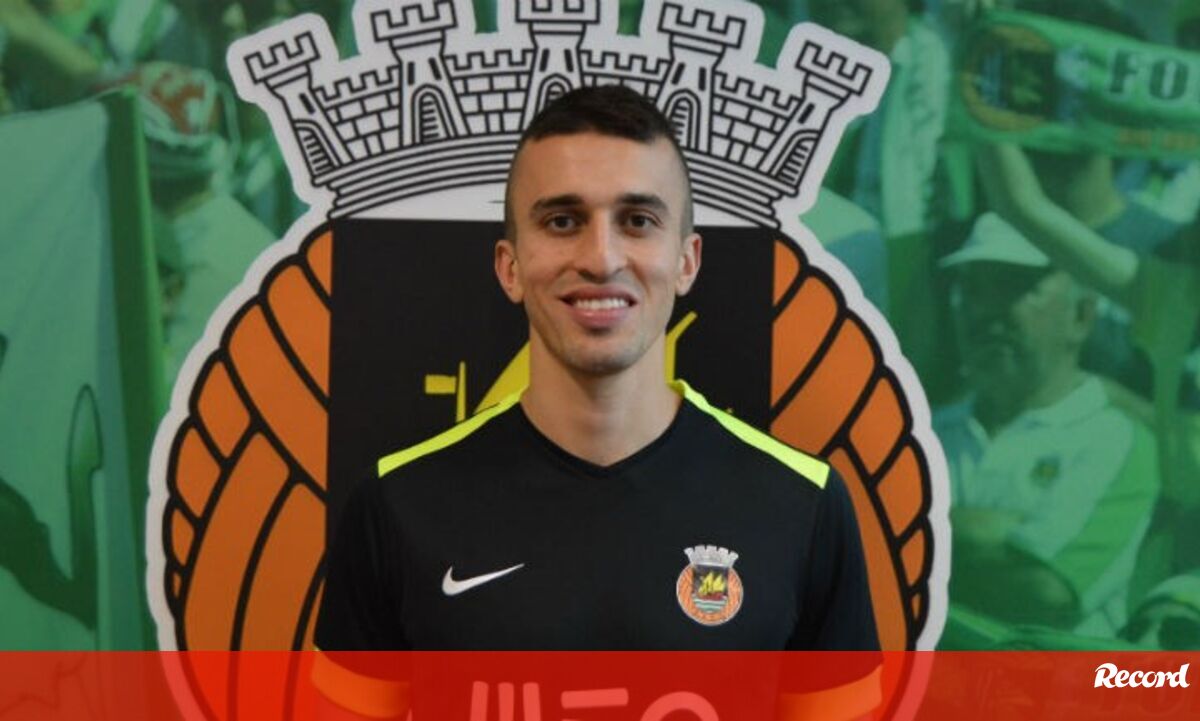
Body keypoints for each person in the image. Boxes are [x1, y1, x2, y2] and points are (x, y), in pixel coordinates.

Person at [312, 85, 880, 718]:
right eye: (563, 221)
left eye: (637, 221)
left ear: (687, 261)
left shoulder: (805, 505)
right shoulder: (395, 505)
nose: (601, 258)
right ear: (509, 267)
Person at [936, 213, 1159, 638]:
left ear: (1082, 316)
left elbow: (1048, 592)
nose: (986, 309)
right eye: (972, 289)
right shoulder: (920, 431)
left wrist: (914, 532)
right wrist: (985, 533)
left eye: (1014, 287)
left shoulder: (1118, 442)